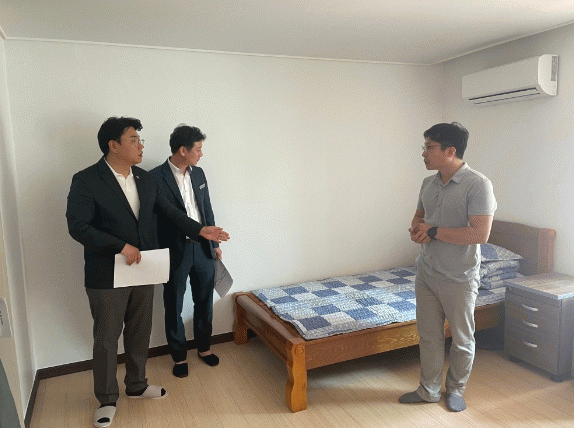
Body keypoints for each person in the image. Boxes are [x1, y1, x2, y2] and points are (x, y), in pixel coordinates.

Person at [66, 117, 229, 428]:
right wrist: (120, 246)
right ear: (114, 146)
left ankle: (137, 385)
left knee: (139, 331)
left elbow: (169, 212)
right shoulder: (86, 180)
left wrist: (200, 230)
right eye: (134, 140)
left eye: (140, 140)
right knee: (106, 338)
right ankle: (107, 399)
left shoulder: (144, 178)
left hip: (143, 268)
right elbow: (78, 227)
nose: (141, 145)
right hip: (107, 273)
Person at [399, 122, 496, 412]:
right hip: (427, 272)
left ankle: (455, 389)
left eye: (429, 147)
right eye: (425, 147)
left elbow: (480, 234)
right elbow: (419, 217)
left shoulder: (478, 184)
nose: (423, 153)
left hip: (459, 277)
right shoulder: (427, 183)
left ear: (450, 151)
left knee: (462, 339)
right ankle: (428, 390)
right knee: (429, 336)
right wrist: (417, 230)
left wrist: (432, 231)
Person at [150, 125, 221, 378]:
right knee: (174, 305)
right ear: (183, 150)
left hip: (202, 248)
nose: (201, 154)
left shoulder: (199, 173)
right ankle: (179, 356)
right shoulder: (154, 177)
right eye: (198, 149)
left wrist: (215, 244)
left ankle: (204, 348)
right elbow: (161, 217)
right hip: (174, 250)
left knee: (204, 302)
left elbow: (207, 209)